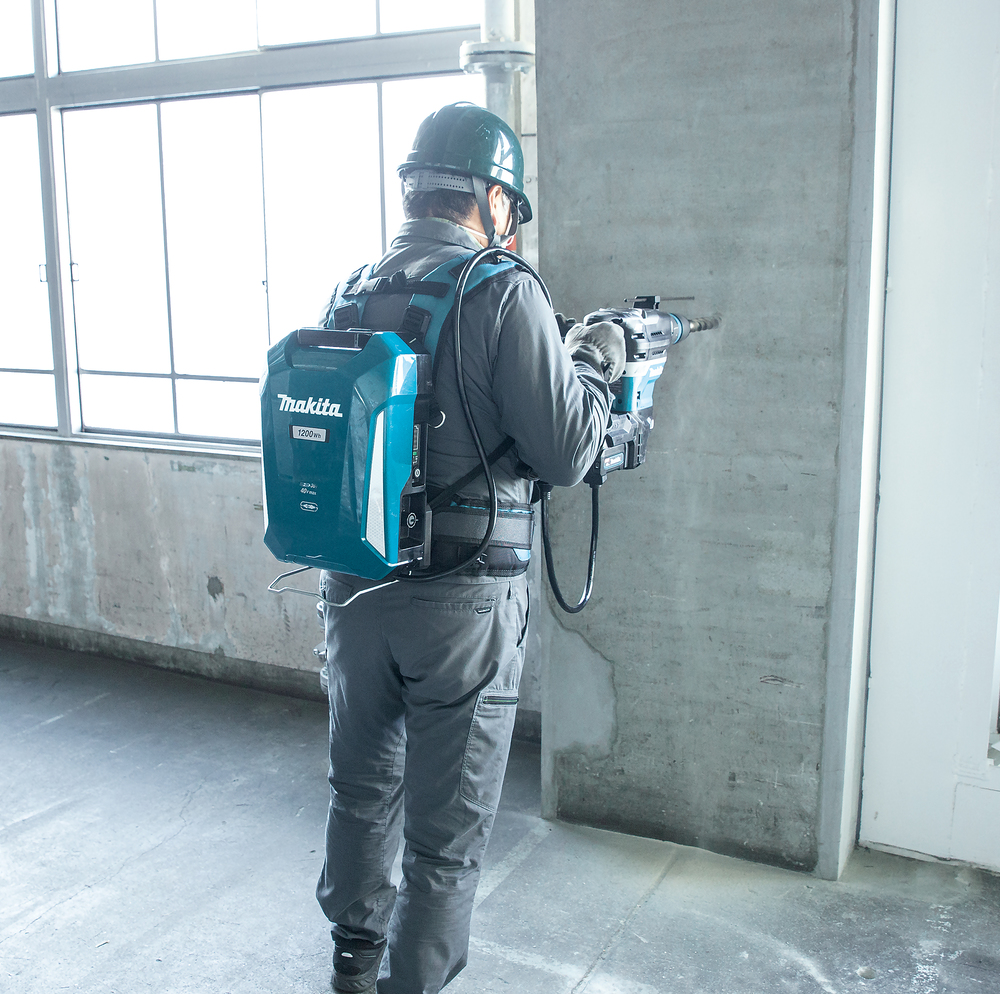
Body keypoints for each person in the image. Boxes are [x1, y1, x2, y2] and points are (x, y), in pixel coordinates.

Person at [314, 102, 625, 994]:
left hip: (355, 588)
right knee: (445, 834)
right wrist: (593, 360)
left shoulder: (352, 289)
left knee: (361, 788)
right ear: (491, 198)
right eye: (509, 208)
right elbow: (567, 451)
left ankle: (353, 959)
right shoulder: (502, 288)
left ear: (413, 189)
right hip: (463, 604)